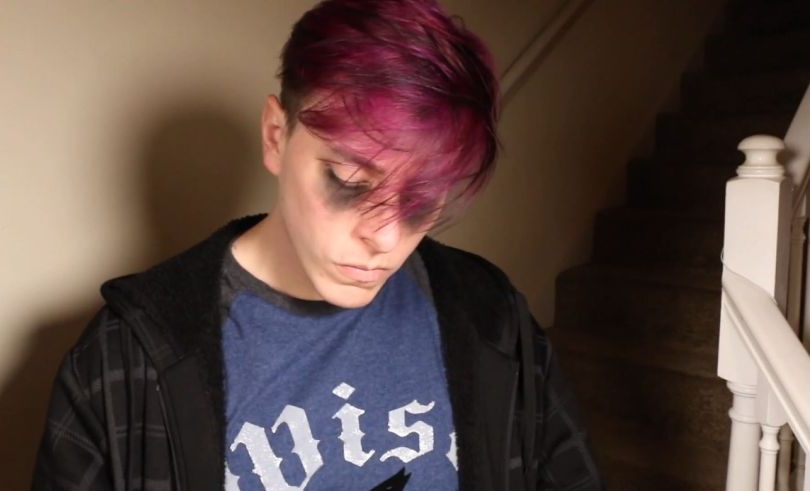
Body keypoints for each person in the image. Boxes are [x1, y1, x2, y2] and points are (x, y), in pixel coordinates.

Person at [32, 0, 602, 489]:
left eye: (421, 202)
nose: (384, 237)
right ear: (277, 136)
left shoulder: (491, 315)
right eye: (350, 184)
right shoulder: (124, 361)